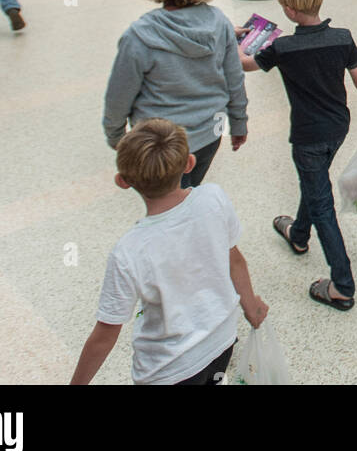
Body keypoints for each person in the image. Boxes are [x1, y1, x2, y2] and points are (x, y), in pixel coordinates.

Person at [71, 119, 268, 385]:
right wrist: (251, 306)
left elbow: (107, 331)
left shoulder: (129, 251)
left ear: (123, 181)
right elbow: (234, 259)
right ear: (189, 163)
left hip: (166, 370)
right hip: (221, 341)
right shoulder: (213, 199)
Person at [240, 0, 357, 311]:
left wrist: (232, 46)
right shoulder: (342, 38)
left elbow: (247, 65)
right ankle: (299, 234)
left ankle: (342, 286)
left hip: (307, 135)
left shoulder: (283, 48)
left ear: (290, 11)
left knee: (322, 204)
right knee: (316, 180)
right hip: (338, 127)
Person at [102, 0, 248, 187]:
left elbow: (118, 95)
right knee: (190, 193)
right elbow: (235, 79)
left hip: (159, 144)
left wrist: (117, 138)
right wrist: (239, 122)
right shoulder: (220, 23)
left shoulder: (140, 35)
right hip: (210, 134)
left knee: (168, 207)